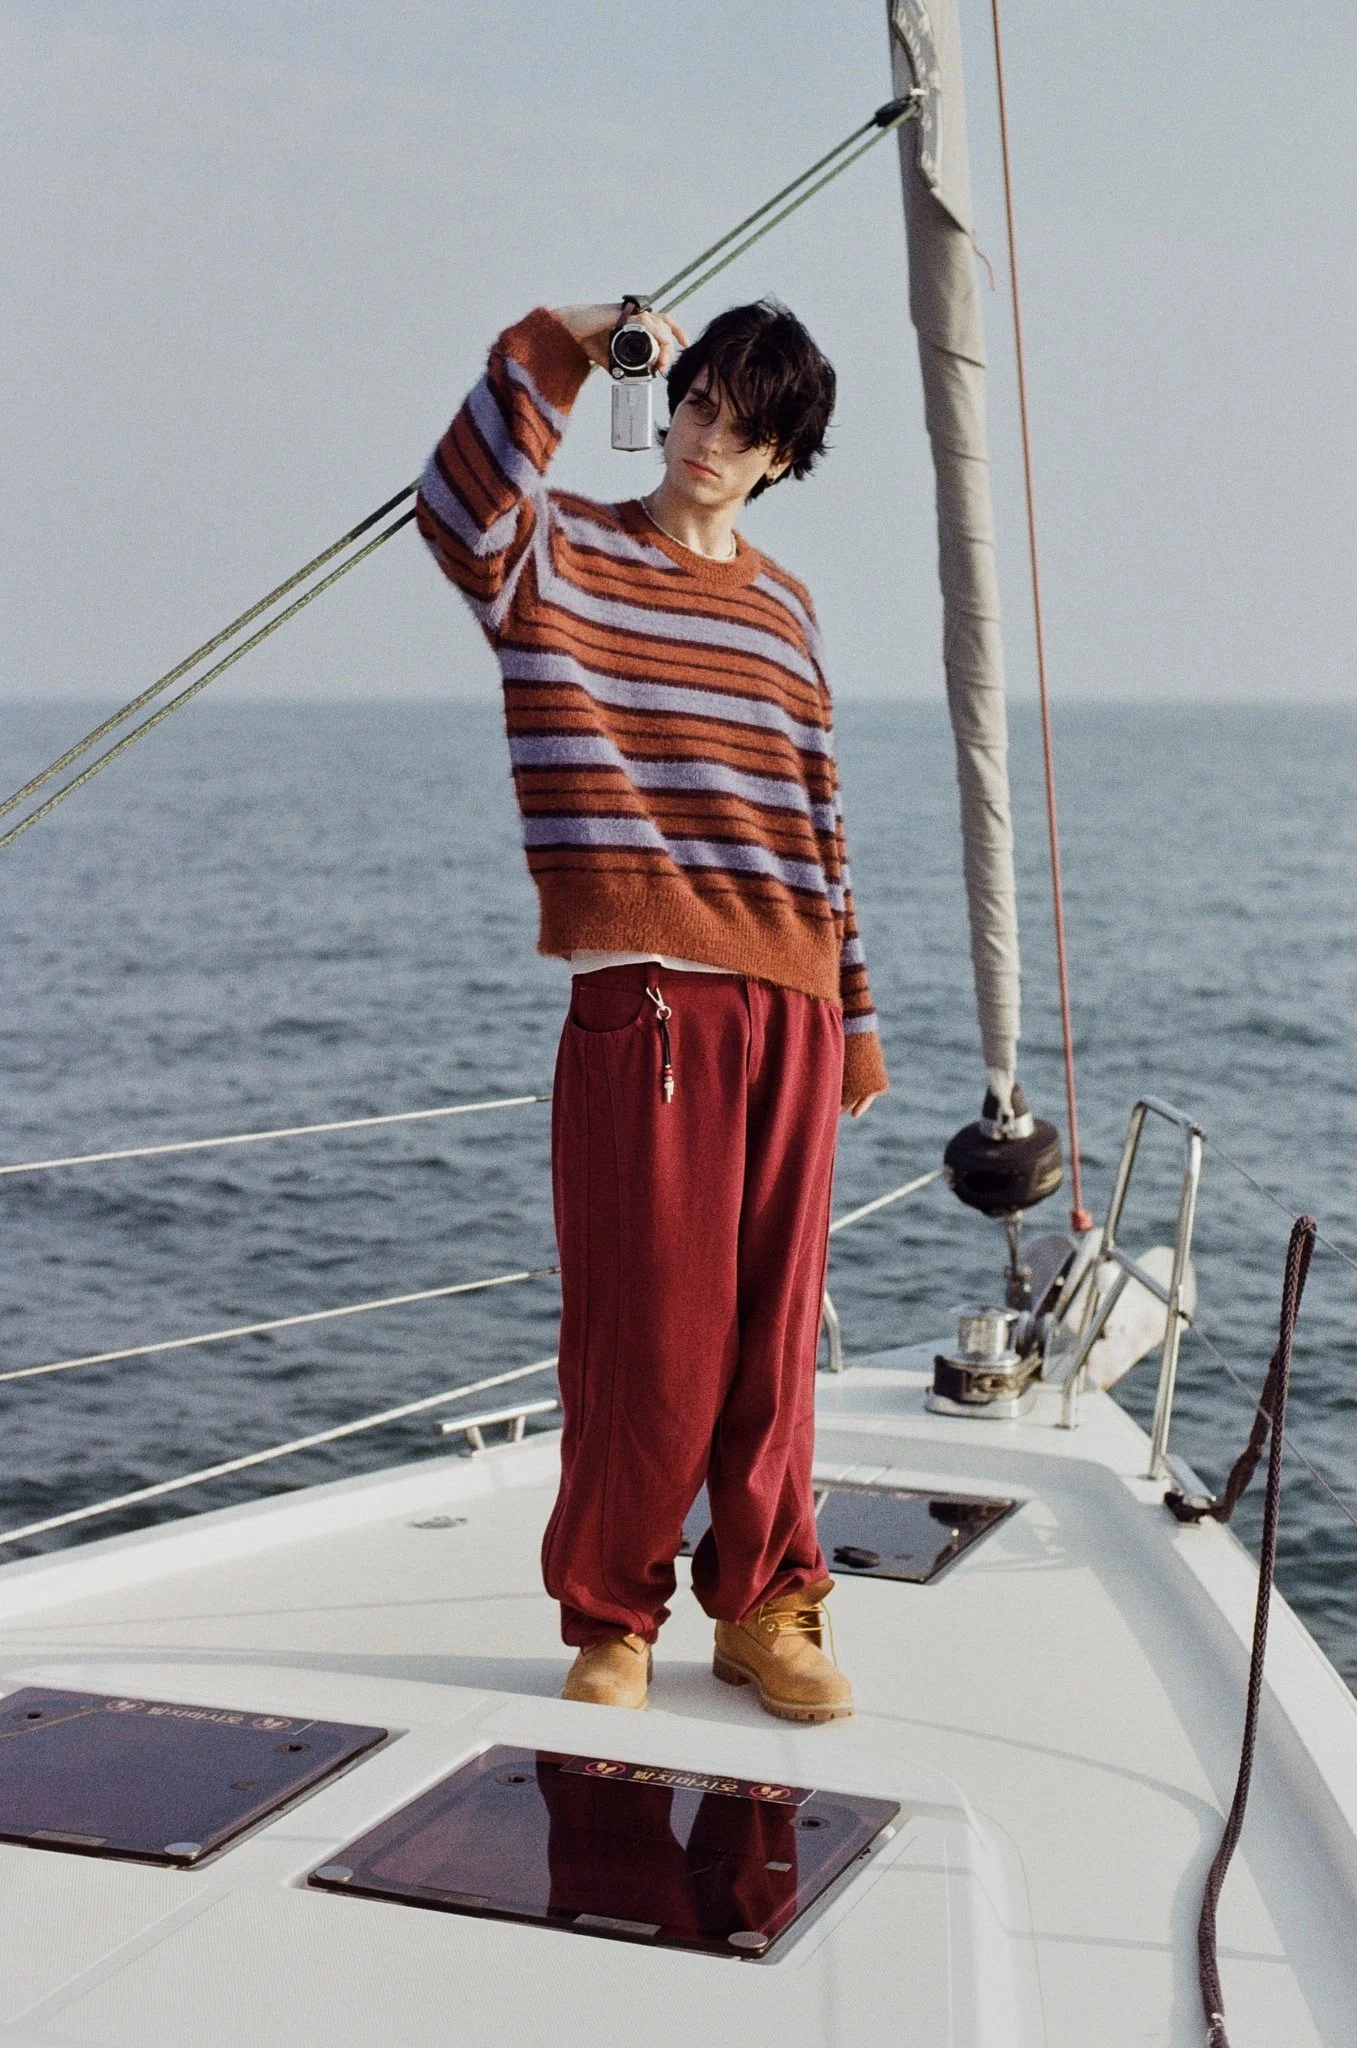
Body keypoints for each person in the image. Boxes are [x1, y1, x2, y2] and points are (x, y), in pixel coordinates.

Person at [416, 297, 888, 1722]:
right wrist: (560, 336)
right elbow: (459, 508)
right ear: (667, 402)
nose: (705, 439)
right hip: (653, 1005)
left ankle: (768, 1609)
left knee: (773, 1335)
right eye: (694, 406)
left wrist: (854, 1019)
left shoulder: (790, 607)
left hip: (794, 1005)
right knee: (648, 1336)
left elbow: (821, 820)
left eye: (742, 430)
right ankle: (614, 1614)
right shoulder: (560, 554)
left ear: (781, 462)